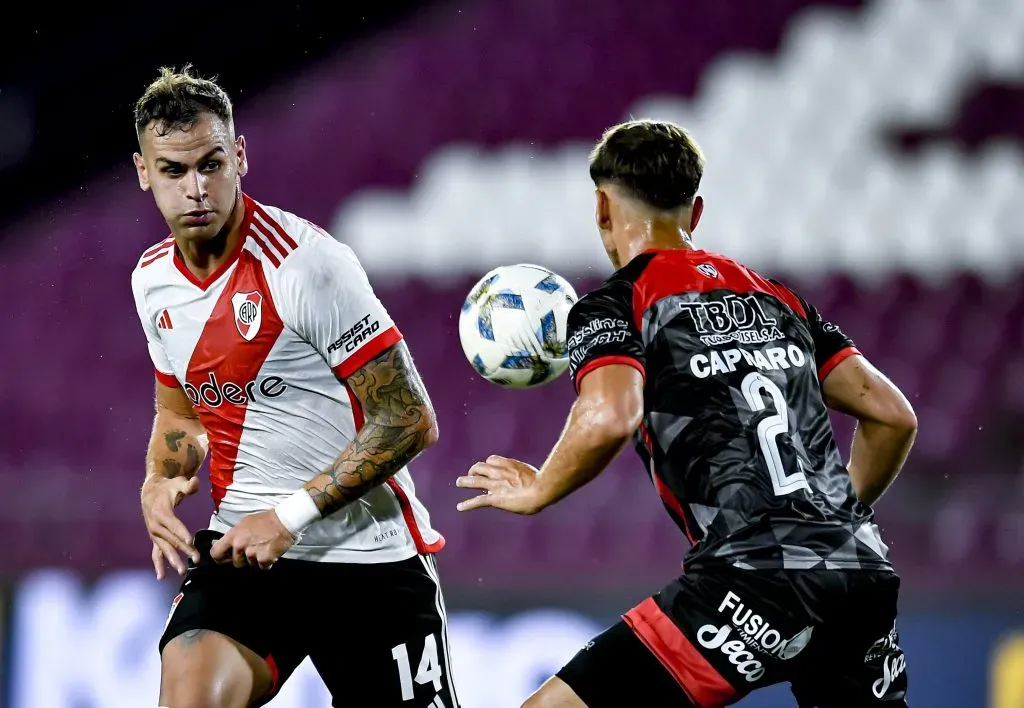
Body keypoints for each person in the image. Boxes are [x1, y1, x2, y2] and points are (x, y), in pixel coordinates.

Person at [456, 119, 917, 708]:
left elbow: (611, 415)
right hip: (859, 573)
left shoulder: (617, 303)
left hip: (749, 581)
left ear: (602, 207)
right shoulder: (777, 296)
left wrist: (540, 488)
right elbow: (892, 416)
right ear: (694, 212)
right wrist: (826, 525)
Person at [131, 65, 460, 708]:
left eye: (211, 164)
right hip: (244, 558)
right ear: (144, 172)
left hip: (369, 559)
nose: (196, 189)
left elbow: (410, 417)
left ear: (240, 157)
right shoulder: (151, 281)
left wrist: (288, 518)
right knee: (190, 693)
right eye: (173, 171)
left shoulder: (307, 265)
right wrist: (162, 476)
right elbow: (180, 412)